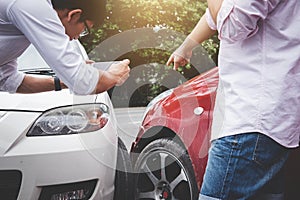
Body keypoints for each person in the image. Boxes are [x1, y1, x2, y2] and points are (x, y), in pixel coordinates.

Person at [167, 0, 300, 199]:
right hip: (268, 119)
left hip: (251, 121)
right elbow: (219, 14)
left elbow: (233, 25)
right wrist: (186, 46)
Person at [0, 0, 130, 95]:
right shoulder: (30, 4)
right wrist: (113, 76)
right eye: (85, 29)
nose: (78, 36)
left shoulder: (20, 22)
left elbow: (7, 80)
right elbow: (84, 83)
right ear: (74, 15)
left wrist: (64, 81)